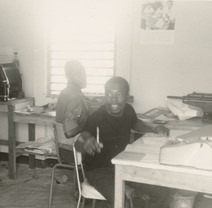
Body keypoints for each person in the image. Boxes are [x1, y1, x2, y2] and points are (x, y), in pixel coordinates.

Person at [75, 76, 170, 208]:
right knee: (119, 200)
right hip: (98, 170)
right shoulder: (96, 117)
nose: (113, 99)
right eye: (109, 94)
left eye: (118, 94)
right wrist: (85, 144)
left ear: (127, 96)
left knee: (162, 191)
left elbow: (135, 123)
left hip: (121, 166)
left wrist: (153, 129)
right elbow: (79, 142)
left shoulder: (129, 110)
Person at [55, 59, 89, 163]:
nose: (84, 76)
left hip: (66, 148)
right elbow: (69, 132)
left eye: (83, 72)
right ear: (68, 77)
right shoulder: (73, 96)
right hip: (71, 150)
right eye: (79, 74)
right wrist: (89, 123)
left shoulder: (69, 92)